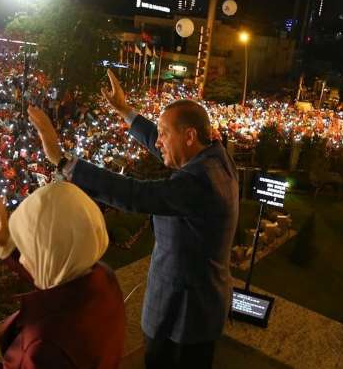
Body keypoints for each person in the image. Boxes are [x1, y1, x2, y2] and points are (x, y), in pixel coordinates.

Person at [27, 69, 239, 369]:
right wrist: (125, 111)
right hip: (197, 306)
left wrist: (63, 161)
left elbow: (135, 195)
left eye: (165, 133)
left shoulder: (200, 183)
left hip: (184, 316)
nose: (158, 142)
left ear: (190, 136)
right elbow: (162, 144)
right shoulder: (213, 157)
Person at [0, 181, 125, 369]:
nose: (22, 260)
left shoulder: (43, 346)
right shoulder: (102, 277)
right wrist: (8, 245)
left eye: (29, 249)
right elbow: (53, 277)